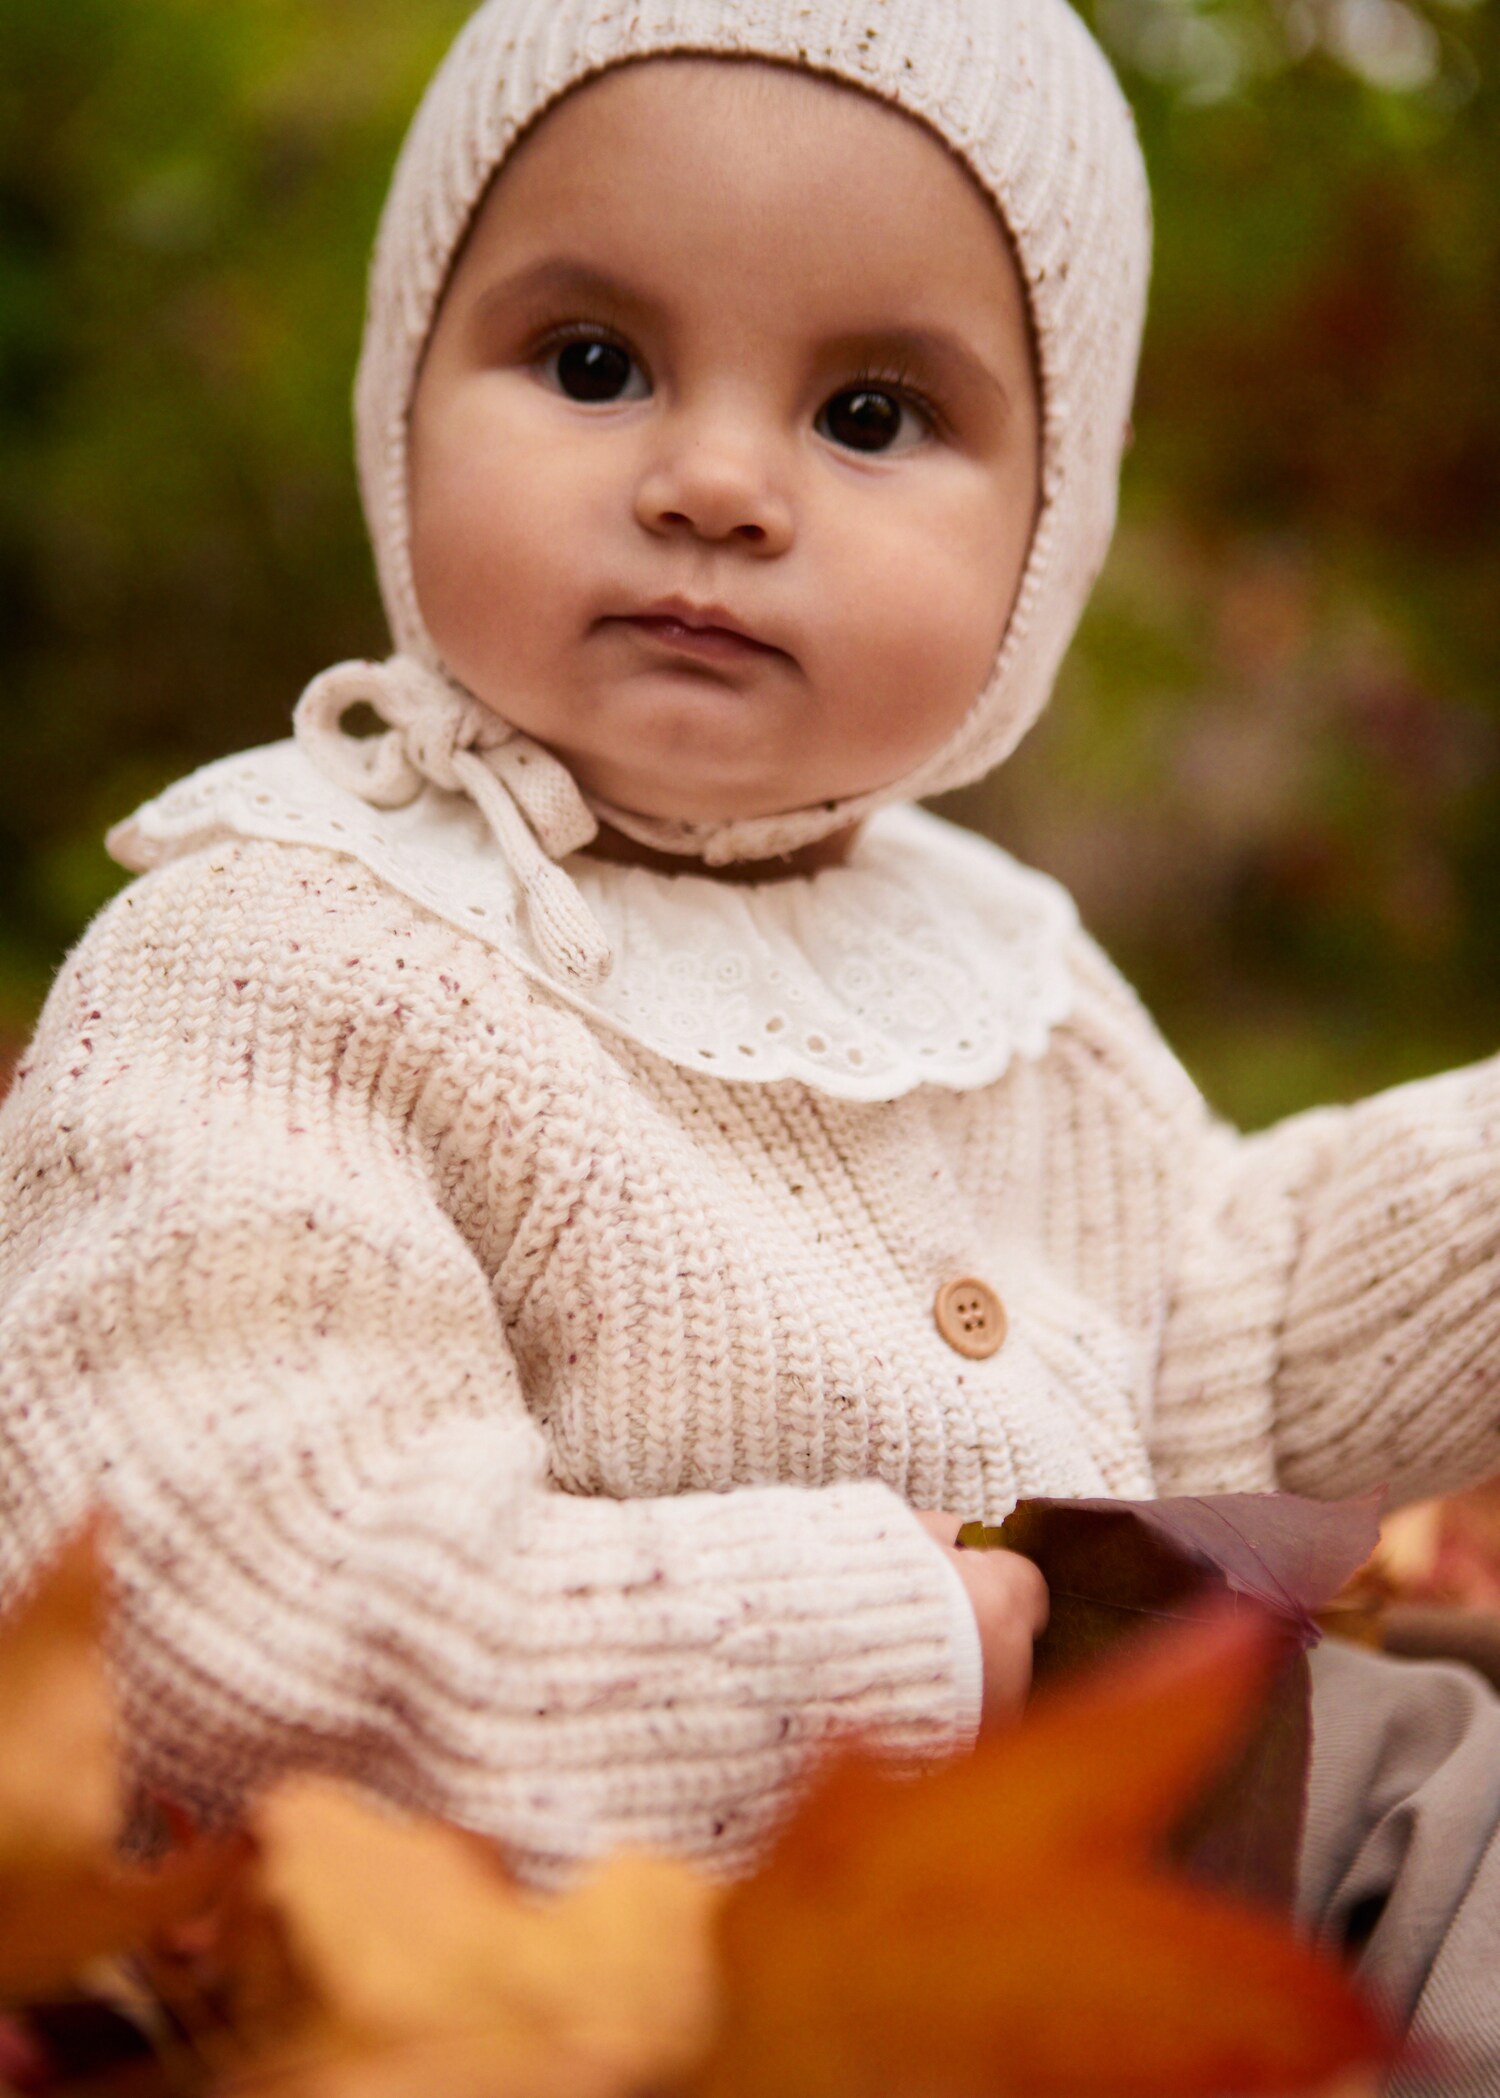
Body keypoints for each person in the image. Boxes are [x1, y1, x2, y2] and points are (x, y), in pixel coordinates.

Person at [2, 0, 1498, 2077]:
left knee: (1459, 1786)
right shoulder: (275, 957)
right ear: (404, 394)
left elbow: (1215, 1312)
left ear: (1044, 537)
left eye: (873, 413)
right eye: (594, 364)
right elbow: (221, 1576)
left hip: (1161, 1830)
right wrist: (848, 1658)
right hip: (633, 1950)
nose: (713, 482)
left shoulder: (993, 957)